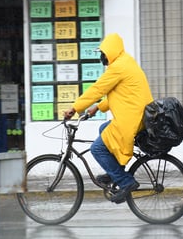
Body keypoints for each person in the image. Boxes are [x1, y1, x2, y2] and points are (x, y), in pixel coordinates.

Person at [64, 33, 153, 204]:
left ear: (110, 52)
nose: (101, 57)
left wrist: (74, 108)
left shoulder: (118, 67)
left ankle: (126, 182)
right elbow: (119, 93)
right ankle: (116, 171)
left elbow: (98, 89)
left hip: (131, 118)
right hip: (137, 115)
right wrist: (97, 107)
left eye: (103, 53)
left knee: (97, 148)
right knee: (103, 129)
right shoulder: (126, 61)